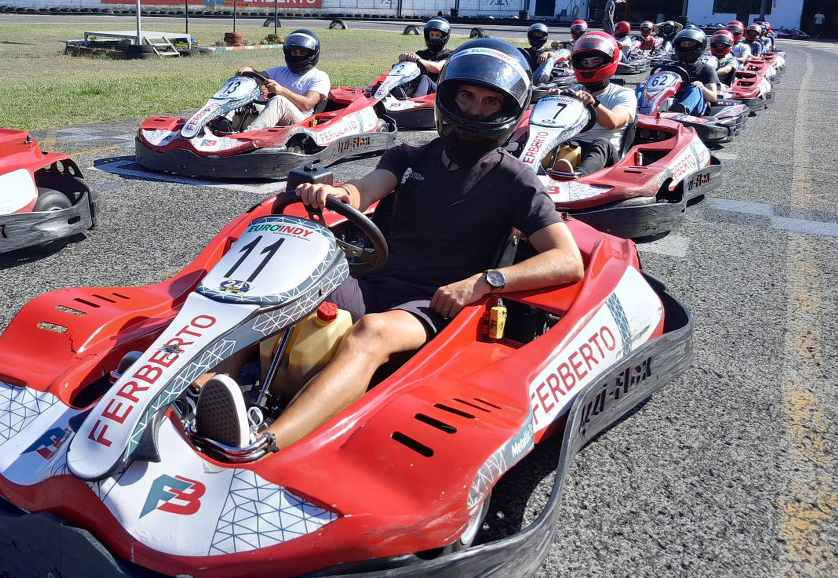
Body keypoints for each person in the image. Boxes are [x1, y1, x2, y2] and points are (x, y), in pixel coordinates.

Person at [195, 40, 585, 453]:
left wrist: (486, 281)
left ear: (508, 111)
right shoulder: (410, 155)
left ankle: (264, 441)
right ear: (448, 97)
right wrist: (332, 192)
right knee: (276, 291)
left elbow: (567, 260)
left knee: (372, 332)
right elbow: (363, 190)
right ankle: (199, 391)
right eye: (466, 96)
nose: (473, 110)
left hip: (434, 301)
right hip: (372, 278)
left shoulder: (515, 180)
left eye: (489, 102)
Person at [551, 32, 637, 178]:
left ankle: (577, 176)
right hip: (572, 146)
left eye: (596, 61)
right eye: (585, 63)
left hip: (607, 156)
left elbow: (613, 122)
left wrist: (593, 102)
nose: (589, 66)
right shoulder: (575, 91)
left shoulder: (623, 94)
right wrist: (552, 99)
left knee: (601, 144)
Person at [237, 29, 331, 131]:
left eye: (302, 52)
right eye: (294, 53)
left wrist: (281, 91)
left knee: (279, 101)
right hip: (276, 114)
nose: (298, 56)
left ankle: (248, 135)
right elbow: (258, 77)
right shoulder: (280, 71)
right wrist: (248, 71)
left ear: (312, 54)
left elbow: (307, 105)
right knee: (243, 92)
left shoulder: (319, 76)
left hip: (303, 122)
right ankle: (222, 124)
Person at [665, 28, 721, 116]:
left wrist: (702, 87)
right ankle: (639, 109)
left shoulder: (706, 69)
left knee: (695, 87)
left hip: (695, 106)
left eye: (690, 44)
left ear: (699, 46)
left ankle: (680, 110)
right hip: (670, 101)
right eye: (684, 44)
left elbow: (713, 97)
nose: (686, 47)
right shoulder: (670, 67)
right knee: (642, 86)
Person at [397, 17, 454, 95]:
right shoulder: (421, 54)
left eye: (437, 35)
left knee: (425, 78)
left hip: (439, 90)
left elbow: (438, 67)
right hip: (419, 88)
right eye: (432, 35)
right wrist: (404, 59)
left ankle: (414, 102)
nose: (434, 38)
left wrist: (418, 60)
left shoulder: (449, 54)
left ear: (444, 37)